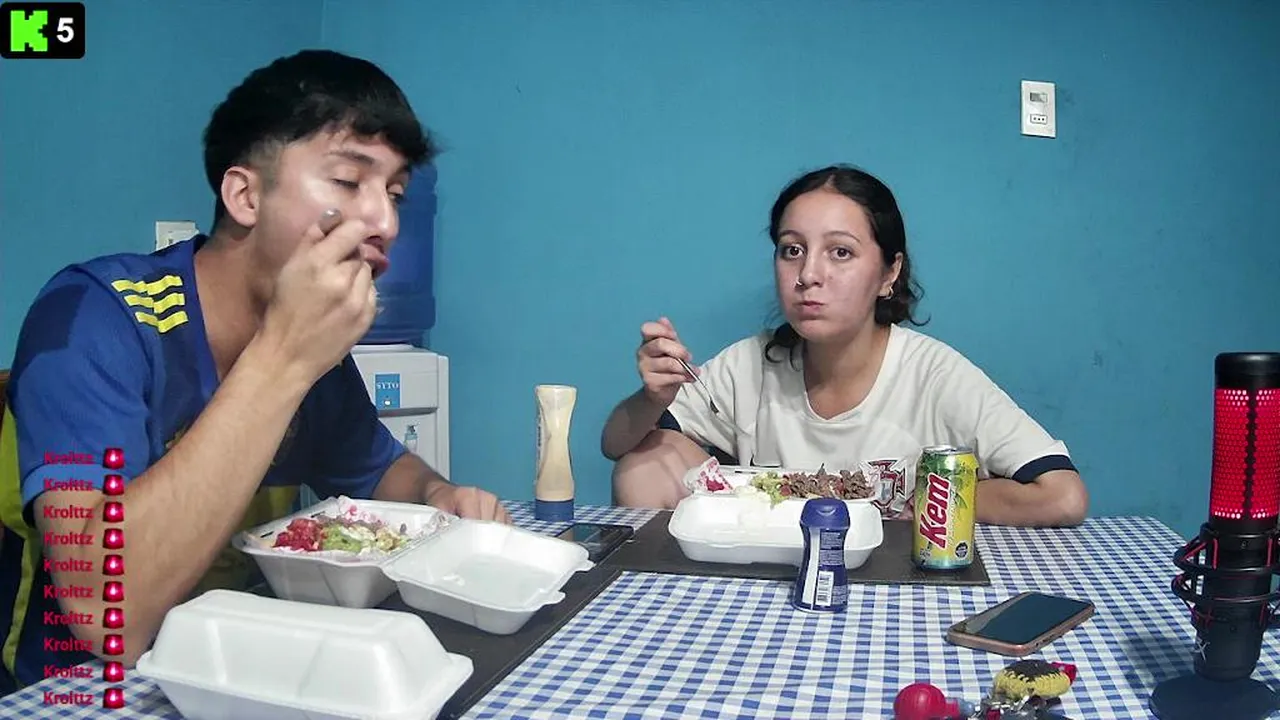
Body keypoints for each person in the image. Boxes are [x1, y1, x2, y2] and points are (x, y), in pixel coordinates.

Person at [0, 50, 510, 691]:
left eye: (395, 193)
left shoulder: (313, 351)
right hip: (82, 689)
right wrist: (283, 357)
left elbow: (381, 468)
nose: (386, 223)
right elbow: (110, 618)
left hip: (243, 669)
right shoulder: (95, 317)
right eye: (348, 181)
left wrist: (436, 495)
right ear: (245, 195)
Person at [601, 164, 1087, 528]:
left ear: (889, 273)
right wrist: (652, 398)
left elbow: (1063, 495)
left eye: (840, 252)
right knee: (641, 465)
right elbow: (616, 448)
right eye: (792, 250)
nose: (809, 274)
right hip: (770, 575)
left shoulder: (934, 375)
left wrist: (931, 502)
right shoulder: (748, 365)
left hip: (896, 584)